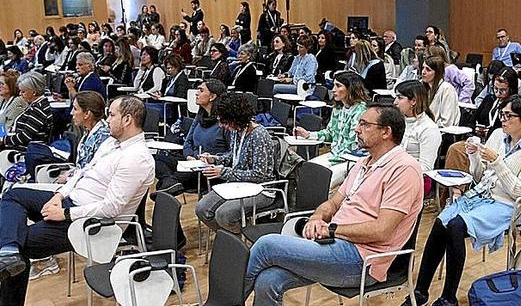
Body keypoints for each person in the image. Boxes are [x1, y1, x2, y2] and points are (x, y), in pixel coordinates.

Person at [237, 104, 423, 306]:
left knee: (265, 245)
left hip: (363, 260)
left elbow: (383, 230)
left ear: (386, 132)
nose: (357, 129)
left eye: (365, 125)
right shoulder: (363, 163)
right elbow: (334, 201)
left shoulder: (404, 170)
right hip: (336, 246)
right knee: (268, 281)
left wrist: (333, 229)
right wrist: (317, 217)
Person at [0, 96, 154, 306]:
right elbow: (82, 173)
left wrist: (64, 213)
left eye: (112, 115)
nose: (107, 119)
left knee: (23, 244)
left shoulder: (137, 158)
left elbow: (112, 208)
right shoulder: (112, 143)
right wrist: (60, 195)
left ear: (127, 119)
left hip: (92, 224)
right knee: (13, 196)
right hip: (72, 203)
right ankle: (7, 253)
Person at [395, 95, 521, 306]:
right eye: (503, 114)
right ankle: (421, 290)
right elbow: (479, 176)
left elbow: (520, 191)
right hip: (482, 196)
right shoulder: (498, 136)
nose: (502, 120)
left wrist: (497, 161)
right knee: (441, 222)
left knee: (455, 226)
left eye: (508, 116)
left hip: (508, 205)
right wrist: (474, 157)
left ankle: (449, 299)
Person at [0, 72, 54, 237]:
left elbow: (24, 137)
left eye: (23, 91)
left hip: (23, 154)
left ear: (34, 92)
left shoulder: (39, 109)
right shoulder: (34, 104)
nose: (21, 94)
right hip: (15, 148)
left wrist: (2, 140)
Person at [194, 93, 276, 233]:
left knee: (224, 215)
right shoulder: (236, 131)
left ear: (236, 118)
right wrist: (215, 159)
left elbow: (260, 174)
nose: (221, 126)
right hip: (238, 184)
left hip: (262, 189)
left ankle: (237, 247)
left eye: (224, 122)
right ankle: (230, 238)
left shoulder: (258, 135)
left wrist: (223, 172)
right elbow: (234, 156)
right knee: (201, 209)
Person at [294, 72, 369, 189]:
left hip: (351, 159)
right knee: (307, 169)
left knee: (322, 180)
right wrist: (308, 135)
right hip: (336, 155)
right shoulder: (338, 109)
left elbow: (352, 145)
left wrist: (330, 160)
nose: (333, 90)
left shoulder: (361, 111)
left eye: (338, 86)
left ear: (350, 88)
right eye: (334, 86)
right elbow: (329, 133)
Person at [155, 80, 229, 197]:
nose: (196, 93)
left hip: (208, 168)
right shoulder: (199, 116)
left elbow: (231, 153)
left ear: (212, 96)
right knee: (154, 159)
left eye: (201, 90)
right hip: (190, 161)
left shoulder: (225, 122)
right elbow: (188, 142)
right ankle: (170, 182)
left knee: (170, 180)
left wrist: (212, 159)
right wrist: (189, 156)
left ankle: (169, 183)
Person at [445, 67, 521, 172]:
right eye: (495, 88)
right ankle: (451, 186)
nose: (498, 93)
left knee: (458, 151)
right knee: (454, 148)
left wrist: (488, 132)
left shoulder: (514, 107)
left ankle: (461, 186)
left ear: (511, 89)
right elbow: (472, 120)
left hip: (497, 146)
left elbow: (507, 131)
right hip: (479, 140)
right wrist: (475, 128)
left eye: (503, 90)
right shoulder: (489, 99)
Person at [394, 80, 442, 172]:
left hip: (415, 178)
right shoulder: (398, 121)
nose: (395, 102)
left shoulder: (429, 129)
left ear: (413, 101)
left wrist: (397, 171)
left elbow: (426, 167)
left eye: (400, 98)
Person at [421, 56, 460, 127]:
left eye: (428, 70)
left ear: (437, 73)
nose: (423, 72)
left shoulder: (447, 89)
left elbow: (447, 122)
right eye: (423, 68)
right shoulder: (422, 87)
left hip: (439, 132)